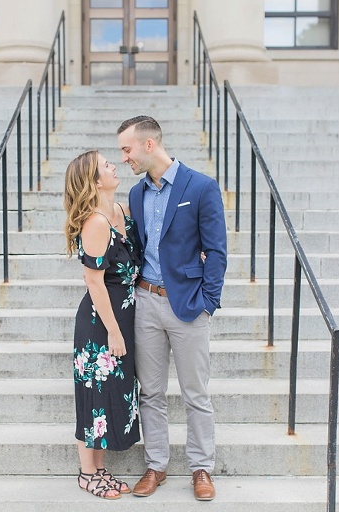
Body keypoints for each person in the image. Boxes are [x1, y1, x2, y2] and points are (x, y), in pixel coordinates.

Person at [118, 116, 227, 501]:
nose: (124, 157)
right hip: (146, 301)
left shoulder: (201, 187)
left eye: (127, 149)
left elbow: (216, 251)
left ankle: (201, 468)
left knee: (195, 393)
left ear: (149, 145)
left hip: (188, 305)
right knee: (150, 392)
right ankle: (156, 466)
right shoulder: (135, 194)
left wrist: (208, 303)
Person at [63, 150, 142, 500]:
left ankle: (100, 468)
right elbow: (93, 280)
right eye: (106, 165)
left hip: (122, 315)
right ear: (96, 181)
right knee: (94, 394)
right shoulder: (96, 222)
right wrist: (113, 330)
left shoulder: (120, 211)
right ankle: (86, 473)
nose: (114, 166)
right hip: (100, 322)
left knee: (109, 393)